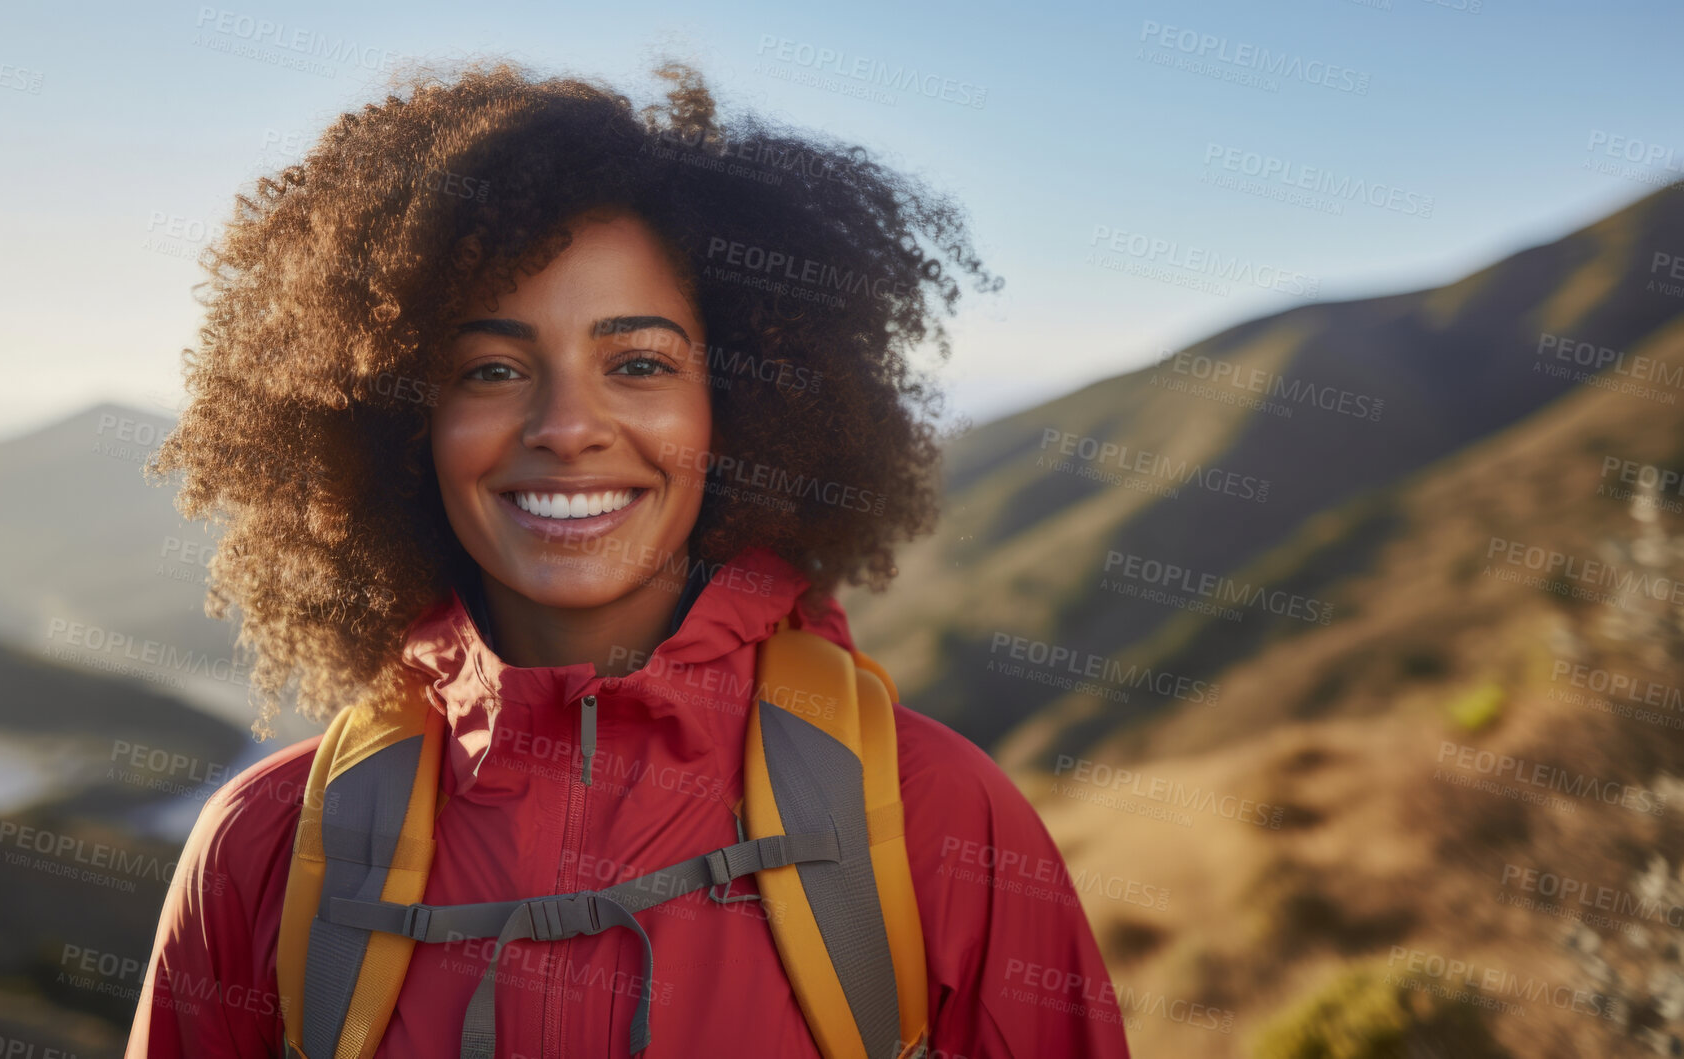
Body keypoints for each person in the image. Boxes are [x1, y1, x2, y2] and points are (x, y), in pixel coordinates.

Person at [127, 57, 1130, 1059]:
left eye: (639, 364)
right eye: (490, 370)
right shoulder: (263, 847)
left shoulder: (939, 821)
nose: (566, 427)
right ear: (402, 425)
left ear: (737, 408)